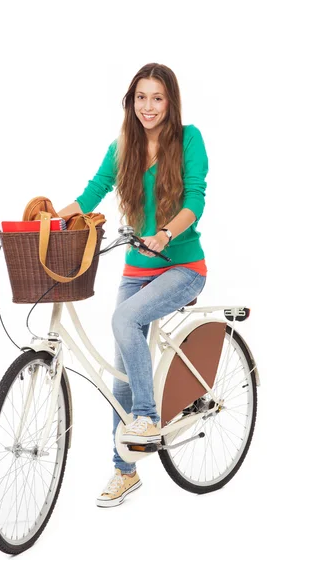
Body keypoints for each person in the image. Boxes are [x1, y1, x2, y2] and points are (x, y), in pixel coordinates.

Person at [58, 62, 208, 508]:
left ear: (171, 102)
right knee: (121, 370)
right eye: (141, 97)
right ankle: (125, 472)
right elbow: (93, 191)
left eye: (157, 98)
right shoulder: (124, 145)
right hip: (136, 268)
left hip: (183, 266)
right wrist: (50, 220)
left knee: (124, 318)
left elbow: (195, 197)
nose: (148, 106)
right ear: (131, 101)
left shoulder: (189, 139)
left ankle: (146, 417)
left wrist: (164, 234)